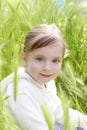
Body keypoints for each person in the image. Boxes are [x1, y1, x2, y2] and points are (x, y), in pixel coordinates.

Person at [0, 24, 87, 130]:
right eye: (40, 59)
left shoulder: (46, 81)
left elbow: (59, 112)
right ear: (25, 58)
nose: (47, 68)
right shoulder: (21, 92)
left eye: (55, 60)